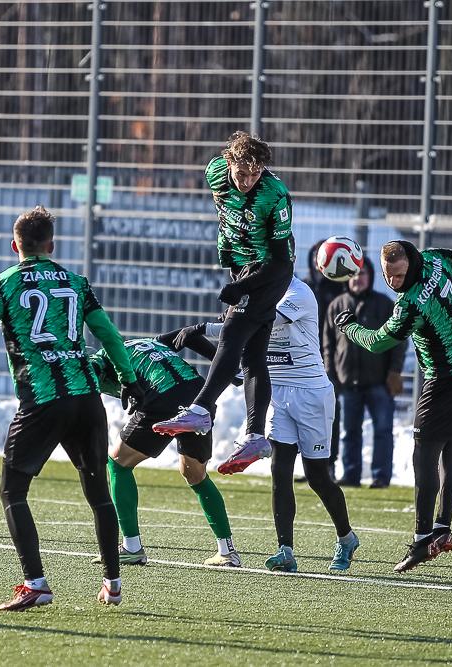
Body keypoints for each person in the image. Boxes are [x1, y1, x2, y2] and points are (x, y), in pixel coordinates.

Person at [0, 205, 144, 611]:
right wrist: (127, 377)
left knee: (12, 490)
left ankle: (36, 583)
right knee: (98, 494)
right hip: (86, 398)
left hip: (43, 400)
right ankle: (113, 583)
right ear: (52, 245)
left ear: (14, 244)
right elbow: (108, 334)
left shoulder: (5, 284)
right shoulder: (75, 282)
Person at [335, 240, 452, 573]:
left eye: (399, 275)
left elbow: (378, 342)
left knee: (423, 455)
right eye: (389, 275)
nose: (394, 282)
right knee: (449, 445)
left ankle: (423, 538)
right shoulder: (437, 258)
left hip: (446, 382)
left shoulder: (411, 304)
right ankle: (442, 529)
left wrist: (349, 327)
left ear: (410, 264)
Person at [171, 275, 359, 573]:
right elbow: (236, 332)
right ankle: (285, 550)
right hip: (276, 391)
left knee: (317, 476)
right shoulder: (255, 293)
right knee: (280, 470)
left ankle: (346, 538)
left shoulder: (298, 292)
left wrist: (203, 328)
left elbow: (260, 321)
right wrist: (209, 328)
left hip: (311, 395)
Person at [153, 131, 295, 472]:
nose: (248, 181)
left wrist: (244, 286)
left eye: (256, 174)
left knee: (233, 333)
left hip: (268, 272)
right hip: (240, 267)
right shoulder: (214, 171)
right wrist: (236, 275)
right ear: (229, 163)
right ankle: (256, 436)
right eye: (242, 173)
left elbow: (280, 262)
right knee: (253, 357)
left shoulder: (275, 195)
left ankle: (201, 409)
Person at [88, 336, 242, 568]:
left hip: (163, 395)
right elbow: (187, 336)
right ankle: (227, 551)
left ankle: (132, 547)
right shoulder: (148, 343)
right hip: (199, 395)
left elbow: (93, 371)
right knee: (195, 474)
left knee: (118, 463)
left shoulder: (103, 357)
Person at [324, 258, 406, 489]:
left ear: (371, 277)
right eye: (353, 275)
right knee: (349, 431)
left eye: (362, 274)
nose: (357, 279)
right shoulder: (337, 305)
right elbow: (328, 345)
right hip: (347, 382)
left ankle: (381, 476)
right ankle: (351, 475)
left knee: (383, 430)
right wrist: (331, 374)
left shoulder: (385, 304)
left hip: (379, 382)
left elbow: (399, 341)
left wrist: (394, 371)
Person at [305, 240, 347, 479]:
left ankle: (329, 463)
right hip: (304, 358)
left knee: (331, 413)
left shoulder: (341, 289)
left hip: (331, 360)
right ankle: (309, 464)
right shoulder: (305, 287)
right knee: (305, 414)